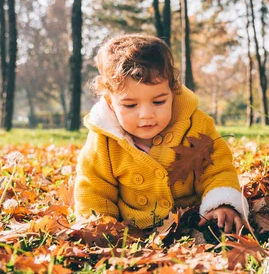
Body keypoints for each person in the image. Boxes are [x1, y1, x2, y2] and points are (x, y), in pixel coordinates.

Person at [74, 34, 249, 233]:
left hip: (193, 219)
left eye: (159, 102)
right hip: (135, 229)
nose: (146, 115)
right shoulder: (104, 139)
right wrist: (101, 226)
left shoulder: (195, 124)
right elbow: (94, 187)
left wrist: (221, 203)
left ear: (173, 91)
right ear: (110, 102)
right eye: (130, 105)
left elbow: (217, 169)